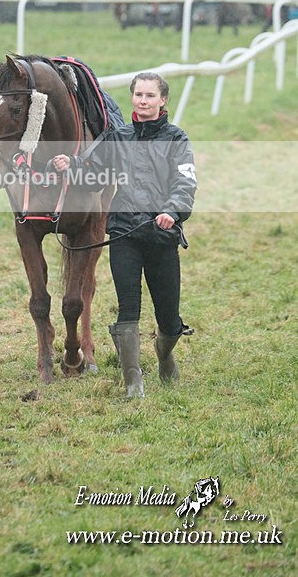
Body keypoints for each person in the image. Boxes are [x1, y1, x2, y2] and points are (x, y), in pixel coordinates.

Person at [52, 73, 197, 399]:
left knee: (168, 317)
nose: (143, 100)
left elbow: (186, 184)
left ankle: (165, 352)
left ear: (162, 101)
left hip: (162, 235)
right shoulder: (118, 138)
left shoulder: (177, 138)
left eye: (150, 95)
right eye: (138, 95)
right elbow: (94, 174)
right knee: (127, 308)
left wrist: (171, 212)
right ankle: (133, 382)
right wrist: (71, 165)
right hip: (124, 233)